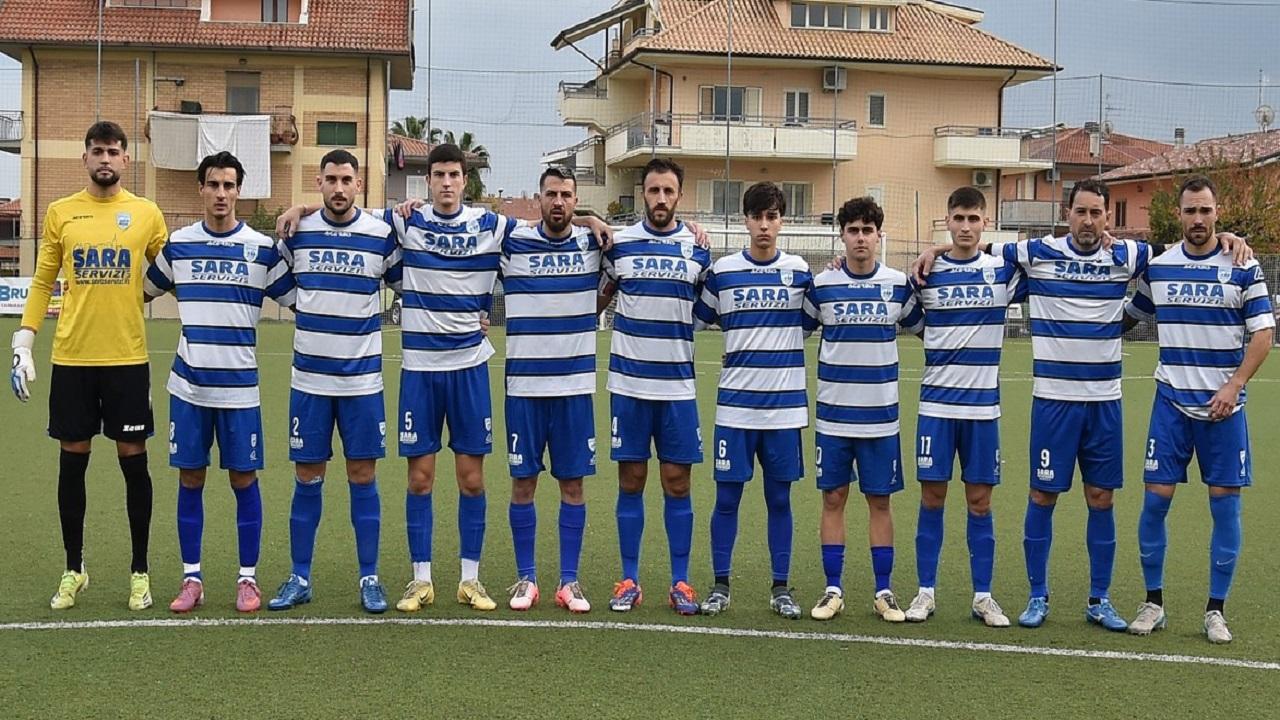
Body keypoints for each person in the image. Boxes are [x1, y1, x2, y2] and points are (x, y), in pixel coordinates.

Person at [912, 180, 1251, 630]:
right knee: (1042, 494)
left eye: (1097, 213)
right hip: (1053, 400)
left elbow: (1189, 246)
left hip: (1104, 401)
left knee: (1101, 497)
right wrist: (934, 249)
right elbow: (973, 242)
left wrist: (1230, 239)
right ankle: (1037, 597)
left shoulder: (1128, 256)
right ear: (1066, 214)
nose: (1088, 221)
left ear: (1108, 218)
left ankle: (1100, 599)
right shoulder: (1037, 252)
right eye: (1081, 213)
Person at [11, 121, 167, 611]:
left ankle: (139, 571)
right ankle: (74, 568)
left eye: (114, 151)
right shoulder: (62, 213)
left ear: (126, 159)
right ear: (85, 158)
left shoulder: (146, 214)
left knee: (133, 463)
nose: (105, 158)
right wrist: (24, 338)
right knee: (71, 463)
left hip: (127, 360)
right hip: (72, 359)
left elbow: (171, 272)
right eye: (97, 150)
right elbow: (42, 283)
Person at [1124, 175, 1273, 644]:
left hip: (1224, 410)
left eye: (1205, 211)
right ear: (1179, 214)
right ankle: (1154, 603)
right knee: (1154, 501)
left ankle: (1216, 610)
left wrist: (1235, 384)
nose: (1198, 219)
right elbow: (1127, 318)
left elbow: (1263, 335)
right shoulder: (1161, 267)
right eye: (1190, 211)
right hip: (1170, 402)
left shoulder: (1243, 267)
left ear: (1217, 212)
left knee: (1225, 507)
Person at [144, 152, 295, 613]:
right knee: (191, 479)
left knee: (243, 479)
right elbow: (139, 293)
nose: (222, 194)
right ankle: (192, 578)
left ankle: (247, 580)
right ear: (201, 190)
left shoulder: (261, 250)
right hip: (188, 389)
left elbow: (300, 302)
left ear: (240, 192)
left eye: (230, 186)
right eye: (213, 185)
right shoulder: (179, 246)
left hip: (240, 390)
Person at [266, 149, 401, 614]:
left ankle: (370, 577)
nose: (339, 188)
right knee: (308, 477)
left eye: (347, 179)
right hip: (310, 382)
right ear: (317, 183)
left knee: (363, 477)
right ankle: (299, 576)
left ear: (358, 184)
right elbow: (275, 277)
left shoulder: (380, 235)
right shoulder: (298, 231)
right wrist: (305, 305)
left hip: (361, 383)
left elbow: (410, 282)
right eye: (330, 180)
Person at [904, 186, 1024, 627]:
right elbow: (911, 319)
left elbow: (1050, 264)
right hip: (936, 407)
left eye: (975, 219)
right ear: (948, 221)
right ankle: (925, 592)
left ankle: (983, 596)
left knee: (979, 502)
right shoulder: (925, 275)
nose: (967, 227)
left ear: (985, 222)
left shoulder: (1002, 272)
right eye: (959, 218)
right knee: (932, 497)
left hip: (983, 411)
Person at [691, 182, 811, 619]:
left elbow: (817, 319)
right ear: (745, 220)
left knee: (779, 501)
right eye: (757, 217)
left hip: (784, 410)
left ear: (782, 221)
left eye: (772, 217)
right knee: (727, 499)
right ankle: (720, 584)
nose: (764, 225)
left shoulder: (800, 273)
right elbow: (696, 319)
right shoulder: (723, 273)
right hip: (735, 409)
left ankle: (781, 587)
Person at [600, 157, 711, 615]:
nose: (660, 199)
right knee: (632, 479)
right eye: (653, 191)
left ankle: (681, 581)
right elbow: (597, 298)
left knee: (677, 482)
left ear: (679, 196)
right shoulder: (619, 245)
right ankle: (629, 578)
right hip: (628, 386)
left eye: (668, 191)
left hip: (678, 389)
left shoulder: (699, 249)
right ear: (642, 194)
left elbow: (710, 310)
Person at [802, 196, 922, 622]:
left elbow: (926, 327)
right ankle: (832, 589)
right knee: (833, 498)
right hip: (834, 417)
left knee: (880, 502)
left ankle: (883, 591)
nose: (860, 238)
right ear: (842, 236)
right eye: (852, 230)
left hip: (881, 418)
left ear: (878, 236)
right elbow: (797, 329)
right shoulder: (823, 285)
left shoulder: (897, 286)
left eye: (867, 230)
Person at [500, 167, 600, 613]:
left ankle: (569, 581)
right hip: (524, 388)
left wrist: (596, 222)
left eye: (566, 195)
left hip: (574, 388)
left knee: (572, 484)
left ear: (575, 201)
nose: (558, 202)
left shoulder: (595, 246)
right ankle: (526, 579)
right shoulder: (513, 245)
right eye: (550, 195)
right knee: (523, 483)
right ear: (538, 199)